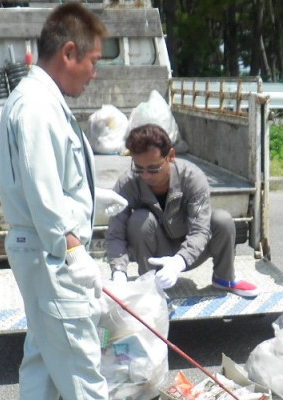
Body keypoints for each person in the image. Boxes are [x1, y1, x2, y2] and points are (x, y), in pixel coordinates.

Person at [0, 2, 172, 400]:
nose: (95, 72)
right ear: (69, 52)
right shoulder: (36, 106)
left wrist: (91, 205)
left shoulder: (39, 99)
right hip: (49, 250)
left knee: (44, 352)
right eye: (93, 60)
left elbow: (50, 182)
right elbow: (39, 188)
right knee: (77, 349)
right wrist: (73, 247)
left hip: (40, 246)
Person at [106, 123, 258, 298]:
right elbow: (116, 232)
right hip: (154, 256)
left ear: (170, 156)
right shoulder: (127, 183)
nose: (145, 175)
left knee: (221, 220)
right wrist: (119, 273)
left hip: (192, 253)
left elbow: (200, 230)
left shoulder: (193, 178)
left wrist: (178, 262)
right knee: (139, 219)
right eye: (139, 168)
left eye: (153, 168)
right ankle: (148, 283)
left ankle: (224, 278)